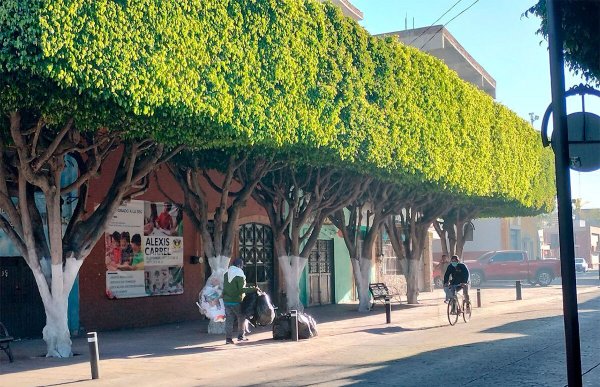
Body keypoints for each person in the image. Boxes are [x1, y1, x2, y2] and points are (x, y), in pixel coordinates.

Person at [222, 258, 256, 344]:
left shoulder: (226, 273)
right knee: (241, 317)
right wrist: (253, 289)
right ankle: (241, 336)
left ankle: (228, 339)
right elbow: (241, 289)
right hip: (236, 301)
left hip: (226, 301)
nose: (242, 268)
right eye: (241, 266)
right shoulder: (239, 274)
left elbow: (226, 287)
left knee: (229, 320)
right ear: (239, 265)